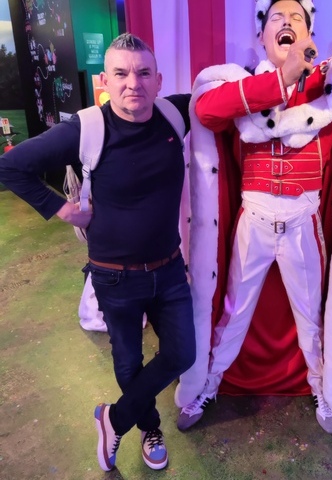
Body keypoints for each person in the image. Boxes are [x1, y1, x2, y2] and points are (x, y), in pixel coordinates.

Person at [174, 0, 332, 435]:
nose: (287, 22)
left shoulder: (330, 83)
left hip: (302, 221)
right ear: (262, 36)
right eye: (277, 17)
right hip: (253, 220)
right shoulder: (240, 85)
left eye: (297, 17)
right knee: (233, 313)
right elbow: (205, 111)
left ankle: (322, 388)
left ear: (309, 35)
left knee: (310, 316)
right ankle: (208, 385)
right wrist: (280, 80)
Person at [0, 33, 195, 472]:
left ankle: (113, 419)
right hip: (115, 276)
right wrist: (64, 209)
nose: (133, 83)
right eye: (121, 73)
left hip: (169, 269)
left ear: (159, 80)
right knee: (128, 362)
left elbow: (224, 96)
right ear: (105, 80)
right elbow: (11, 166)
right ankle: (149, 427)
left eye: (143, 73)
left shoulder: (173, 114)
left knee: (182, 353)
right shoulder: (86, 128)